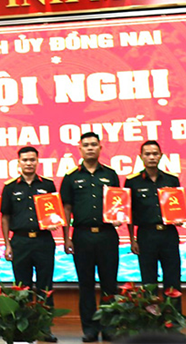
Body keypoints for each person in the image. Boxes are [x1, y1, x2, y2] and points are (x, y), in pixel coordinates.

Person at [60, 132, 121, 342]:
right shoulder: (71, 177)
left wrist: (119, 217)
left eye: (94, 144)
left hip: (107, 235)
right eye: (86, 145)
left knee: (109, 284)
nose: (90, 148)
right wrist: (66, 237)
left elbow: (118, 202)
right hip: (82, 236)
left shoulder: (111, 174)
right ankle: (89, 329)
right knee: (85, 284)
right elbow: (66, 209)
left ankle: (109, 327)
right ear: (80, 149)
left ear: (100, 148)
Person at [0, 146, 59, 343]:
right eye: (25, 160)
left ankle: (44, 328)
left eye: (32, 160)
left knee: (45, 286)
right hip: (20, 241)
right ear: (19, 162)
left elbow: (54, 212)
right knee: (22, 287)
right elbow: (5, 217)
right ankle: (23, 330)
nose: (29, 163)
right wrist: (7, 244)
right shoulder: (10, 187)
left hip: (43, 240)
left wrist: (54, 221)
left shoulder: (48, 185)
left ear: (37, 161)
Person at [125, 140, 183, 312]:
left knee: (173, 279)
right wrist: (132, 239)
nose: (151, 157)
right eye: (148, 154)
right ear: (141, 157)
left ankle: (173, 320)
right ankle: (151, 320)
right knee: (148, 281)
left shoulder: (172, 180)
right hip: (146, 235)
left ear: (161, 156)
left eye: (155, 154)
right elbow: (129, 213)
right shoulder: (132, 182)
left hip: (168, 234)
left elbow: (177, 207)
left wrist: (179, 218)